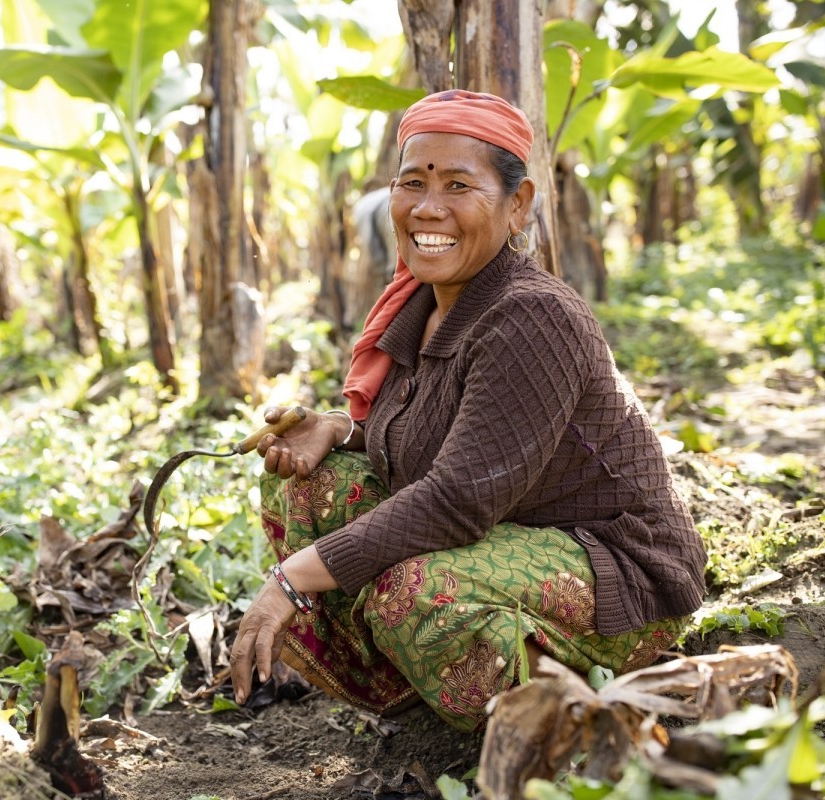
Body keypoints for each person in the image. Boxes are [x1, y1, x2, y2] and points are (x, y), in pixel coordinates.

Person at [229, 89, 708, 731]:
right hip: (520, 528)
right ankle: (420, 687)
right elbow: (439, 440)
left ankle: (572, 714)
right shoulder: (423, 307)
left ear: (517, 206)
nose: (429, 208)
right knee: (311, 486)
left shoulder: (533, 315)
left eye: (459, 185)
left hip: (619, 568)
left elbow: (456, 498)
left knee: (417, 593)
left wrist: (289, 580)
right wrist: (341, 430)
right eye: (413, 183)